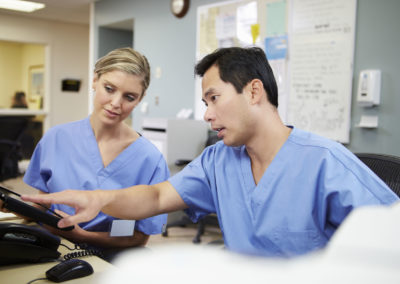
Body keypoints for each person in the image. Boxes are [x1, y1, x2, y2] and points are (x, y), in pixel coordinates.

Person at [22, 47, 399, 258]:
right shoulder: (219, 160)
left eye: (214, 98)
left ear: (253, 92)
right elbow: (155, 195)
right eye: (205, 102)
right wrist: (98, 198)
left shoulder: (323, 162)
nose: (207, 114)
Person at [21, 47, 170, 260]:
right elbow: (41, 205)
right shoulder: (56, 138)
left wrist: (83, 236)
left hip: (110, 259)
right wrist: (11, 205)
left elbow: (138, 238)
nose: (116, 103)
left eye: (129, 97)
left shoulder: (150, 160)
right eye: (109, 89)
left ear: (140, 98)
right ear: (94, 80)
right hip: (49, 250)